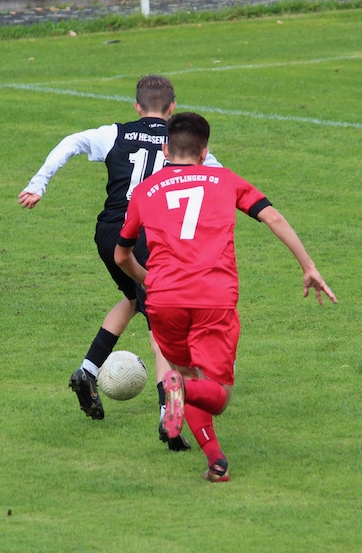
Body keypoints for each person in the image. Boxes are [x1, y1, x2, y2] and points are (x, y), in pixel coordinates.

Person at [115, 111, 337, 481]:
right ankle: (181, 390)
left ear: (166, 150)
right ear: (204, 153)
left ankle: (216, 462)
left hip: (164, 299)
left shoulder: (145, 190)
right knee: (217, 393)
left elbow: (122, 255)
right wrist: (308, 266)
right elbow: (272, 218)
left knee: (187, 375)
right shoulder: (224, 179)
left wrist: (149, 280)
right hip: (213, 297)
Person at [19, 75, 219, 451]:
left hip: (110, 234)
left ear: (137, 107)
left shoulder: (115, 133)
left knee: (133, 299)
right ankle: (168, 413)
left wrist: (38, 183)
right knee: (163, 321)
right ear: (173, 108)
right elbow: (216, 176)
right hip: (149, 238)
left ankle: (88, 370)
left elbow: (71, 142)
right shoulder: (180, 143)